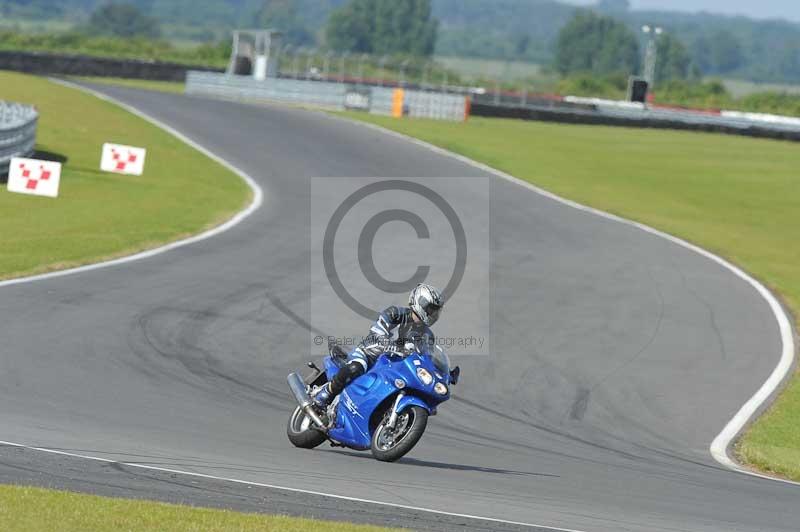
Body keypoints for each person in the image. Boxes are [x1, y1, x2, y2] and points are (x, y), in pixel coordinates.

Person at [312, 283, 445, 408]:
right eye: (431, 309)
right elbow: (378, 331)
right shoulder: (395, 313)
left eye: (436, 311)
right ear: (420, 303)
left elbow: (427, 357)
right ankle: (326, 392)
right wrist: (390, 345)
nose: (433, 314)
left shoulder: (427, 335)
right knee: (355, 367)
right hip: (369, 355)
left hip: (394, 367)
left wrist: (446, 372)